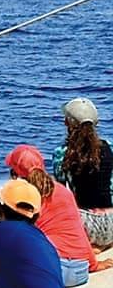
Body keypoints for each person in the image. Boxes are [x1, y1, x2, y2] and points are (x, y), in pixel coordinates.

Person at [0, 144, 112, 287]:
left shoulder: (22, 197)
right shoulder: (63, 191)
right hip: (80, 272)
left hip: (50, 272)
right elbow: (78, 231)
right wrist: (94, 265)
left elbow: (10, 242)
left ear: (16, 174)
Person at [52, 97, 113, 251]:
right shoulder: (110, 148)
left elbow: (61, 191)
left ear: (67, 123)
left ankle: (89, 245)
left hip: (84, 225)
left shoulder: (62, 153)